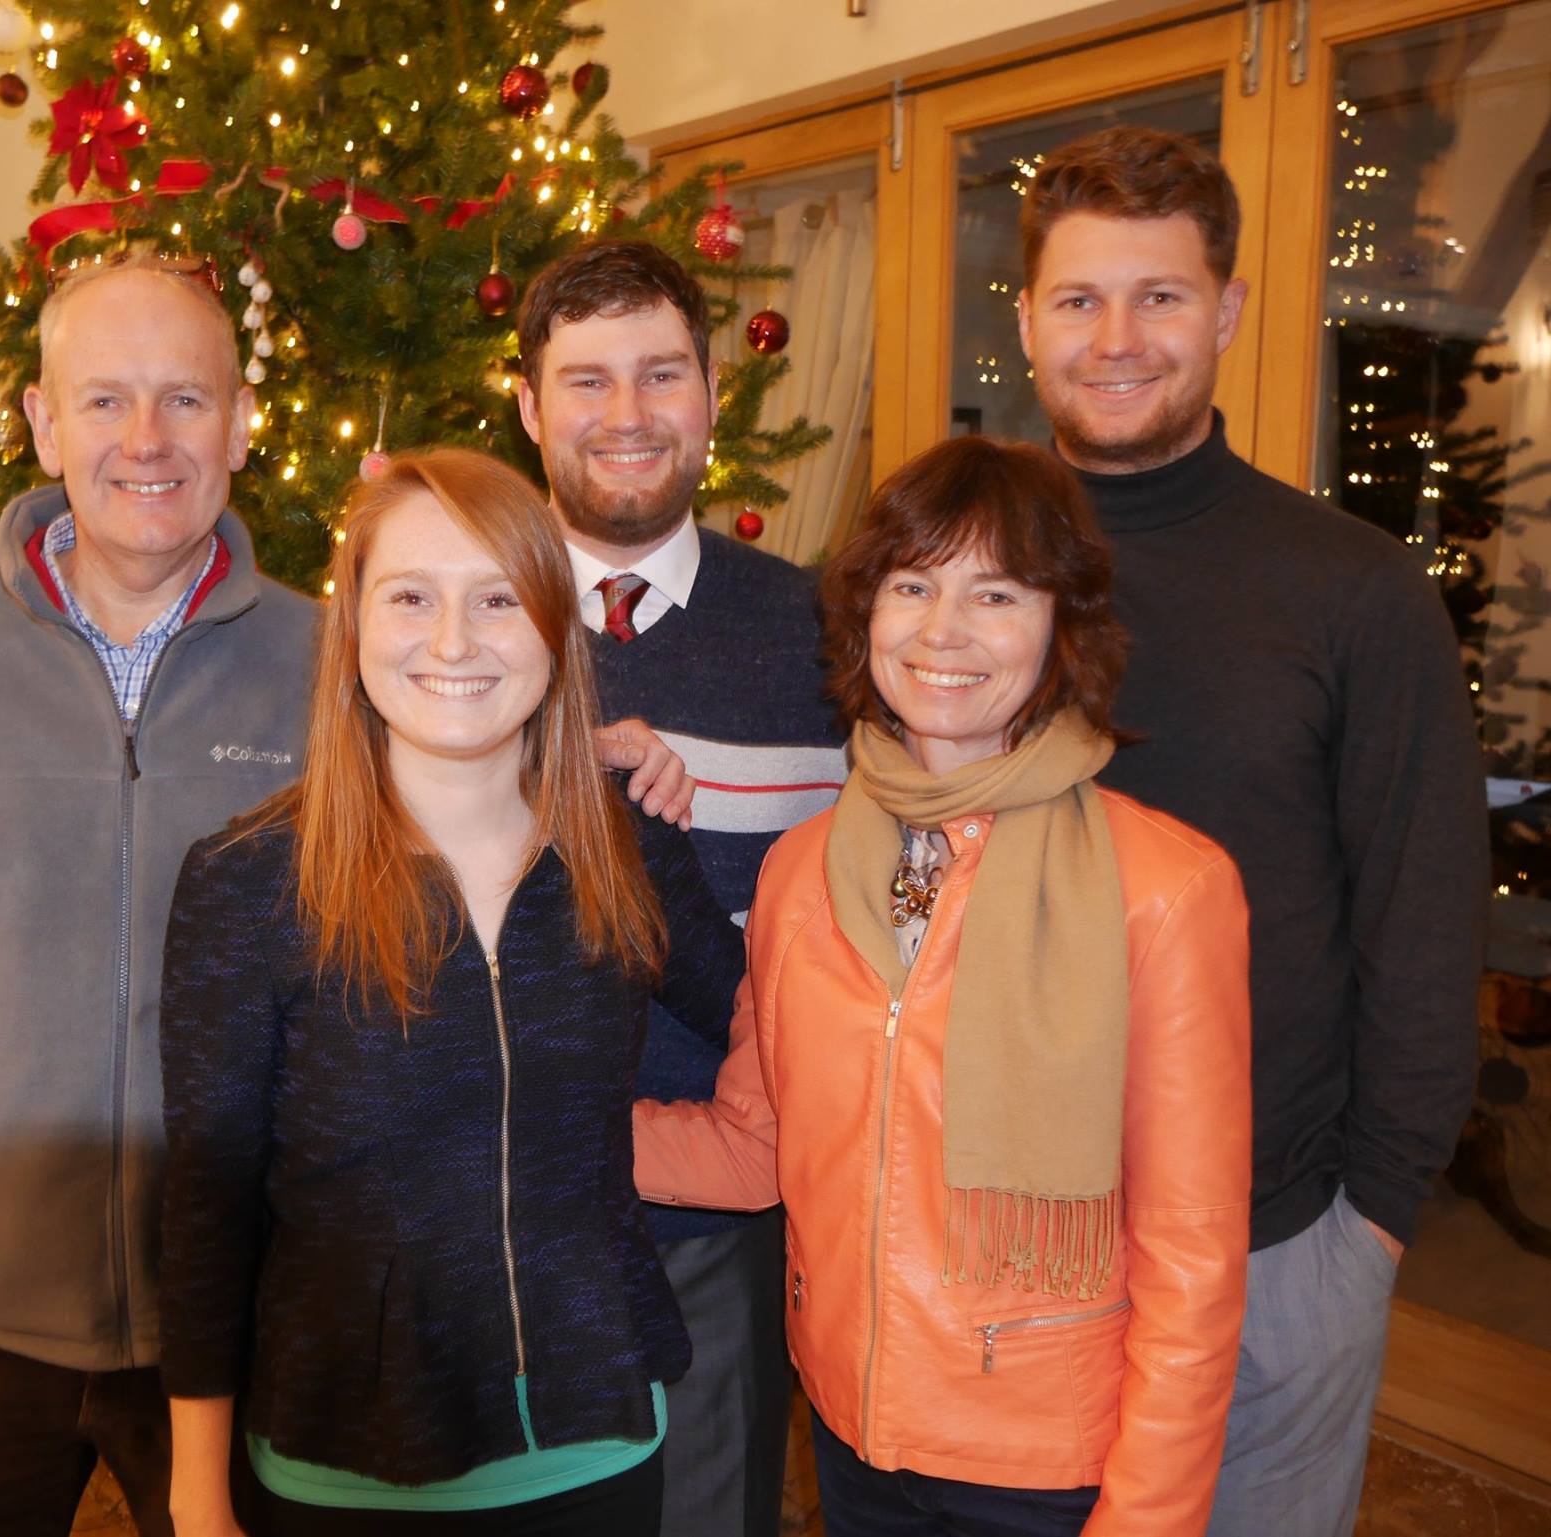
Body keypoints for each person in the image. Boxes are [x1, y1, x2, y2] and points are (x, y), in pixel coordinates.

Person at [0, 254, 697, 1534]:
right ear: (39, 421)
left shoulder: (348, 660)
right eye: (103, 400)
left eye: (186, 400)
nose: (146, 440)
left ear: (244, 421)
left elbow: (484, 765)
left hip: (255, 1337)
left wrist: (590, 759)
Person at [636, 434, 1254, 1536]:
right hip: (851, 1433)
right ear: (863, 614)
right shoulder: (802, 869)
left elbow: (1191, 1258)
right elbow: (752, 1148)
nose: (942, 631)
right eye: (911, 585)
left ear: (1061, 621)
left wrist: (1145, 1520)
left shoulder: (1164, 888)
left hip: (1047, 1465)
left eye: (996, 591)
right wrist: (516, 1114)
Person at [1015, 126, 1487, 1537]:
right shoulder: (949, 570)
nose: (1116, 338)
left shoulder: (1353, 590)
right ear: (1029, 317)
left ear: (1224, 311)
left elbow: (1423, 915)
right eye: (1079, 299)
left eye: (1159, 297)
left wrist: (1372, 1222)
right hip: (995, 1239)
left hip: (1277, 1245)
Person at [158, 449, 748, 1537]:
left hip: (598, 1442)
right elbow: (205, 1210)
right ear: (353, 628)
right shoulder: (247, 883)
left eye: (495, 599)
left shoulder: (621, 844)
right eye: (410, 598)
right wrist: (197, 1494)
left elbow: (774, 1026)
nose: (451, 641)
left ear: (551, 630)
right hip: (348, 1471)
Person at [515, 238, 846, 1537]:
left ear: (713, 391)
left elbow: (898, 885)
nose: (628, 415)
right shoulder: (459, 621)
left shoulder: (826, 631)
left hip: (732, 1212)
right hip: (499, 1202)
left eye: (660, 374)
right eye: (586, 382)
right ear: (533, 409)